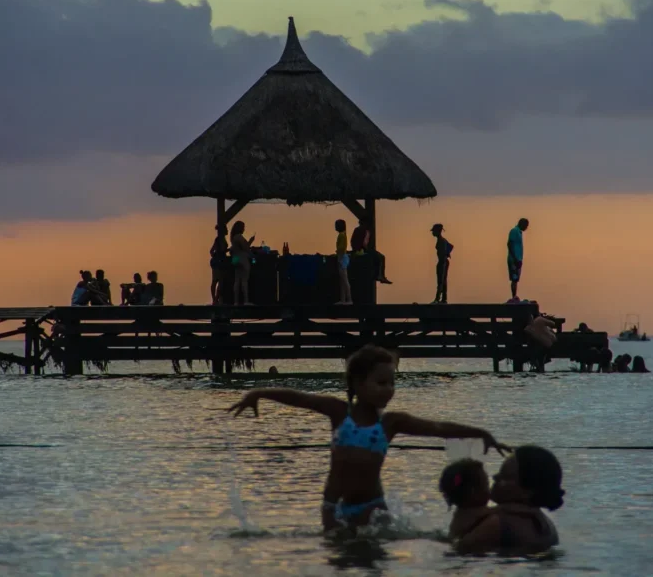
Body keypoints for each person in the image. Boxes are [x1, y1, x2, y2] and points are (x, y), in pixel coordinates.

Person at [227, 345, 510, 531]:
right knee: (340, 559)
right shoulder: (340, 413)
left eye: (392, 383)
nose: (388, 390)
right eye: (381, 383)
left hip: (374, 507)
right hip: (335, 507)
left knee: (374, 562)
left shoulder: (390, 422)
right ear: (357, 384)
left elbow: (437, 427)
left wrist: (480, 433)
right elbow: (299, 398)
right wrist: (258, 393)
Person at [439, 447, 563, 555]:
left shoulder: (497, 523)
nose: (494, 477)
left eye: (504, 476)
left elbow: (460, 551)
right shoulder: (546, 524)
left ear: (527, 491)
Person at [350, 218, 392, 284]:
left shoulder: (365, 231)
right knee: (379, 257)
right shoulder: (360, 230)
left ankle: (380, 275)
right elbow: (355, 242)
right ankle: (380, 276)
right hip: (361, 250)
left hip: (364, 249)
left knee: (380, 257)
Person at [229, 221, 255, 306]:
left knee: (237, 280)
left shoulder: (233, 237)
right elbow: (246, 248)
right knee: (244, 280)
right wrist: (251, 241)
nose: (244, 229)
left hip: (235, 259)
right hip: (242, 258)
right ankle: (246, 301)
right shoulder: (239, 237)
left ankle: (236, 301)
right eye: (243, 227)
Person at [507, 218, 529, 302]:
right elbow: (509, 244)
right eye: (526, 225)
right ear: (522, 224)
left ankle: (514, 296)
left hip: (518, 259)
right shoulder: (514, 231)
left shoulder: (519, 232)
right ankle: (513, 297)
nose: (526, 228)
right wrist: (515, 258)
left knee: (516, 279)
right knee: (514, 278)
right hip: (514, 259)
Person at [431, 224, 453, 304]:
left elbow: (444, 252)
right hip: (442, 262)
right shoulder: (442, 240)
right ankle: (444, 299)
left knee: (441, 281)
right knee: (443, 281)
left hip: (442, 262)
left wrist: (442, 264)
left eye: (434, 231)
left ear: (438, 231)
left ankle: (437, 299)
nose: (432, 232)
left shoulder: (442, 241)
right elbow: (450, 247)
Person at [210, 225, 229, 305]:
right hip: (219, 262)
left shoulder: (219, 239)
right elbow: (219, 250)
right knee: (219, 281)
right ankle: (215, 299)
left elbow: (211, 251)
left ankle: (215, 299)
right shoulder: (220, 239)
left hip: (218, 262)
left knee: (216, 281)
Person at [335, 219, 353, 305]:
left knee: (345, 280)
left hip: (342, 258)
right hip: (342, 257)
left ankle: (349, 299)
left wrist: (339, 258)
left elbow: (341, 248)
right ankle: (343, 300)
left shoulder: (341, 235)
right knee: (342, 280)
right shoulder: (342, 235)